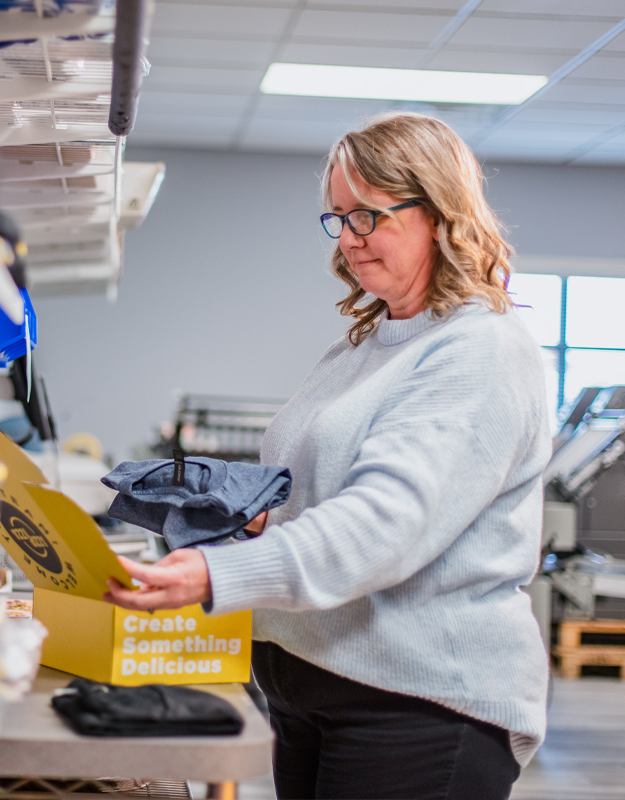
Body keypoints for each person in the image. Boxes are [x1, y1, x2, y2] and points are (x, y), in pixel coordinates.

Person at [103, 112, 551, 800]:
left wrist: (218, 574)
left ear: (437, 212)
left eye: (367, 216)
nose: (347, 239)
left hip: (418, 704)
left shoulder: (479, 350)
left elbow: (382, 529)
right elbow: (319, 496)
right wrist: (246, 517)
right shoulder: (368, 345)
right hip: (314, 678)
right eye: (336, 218)